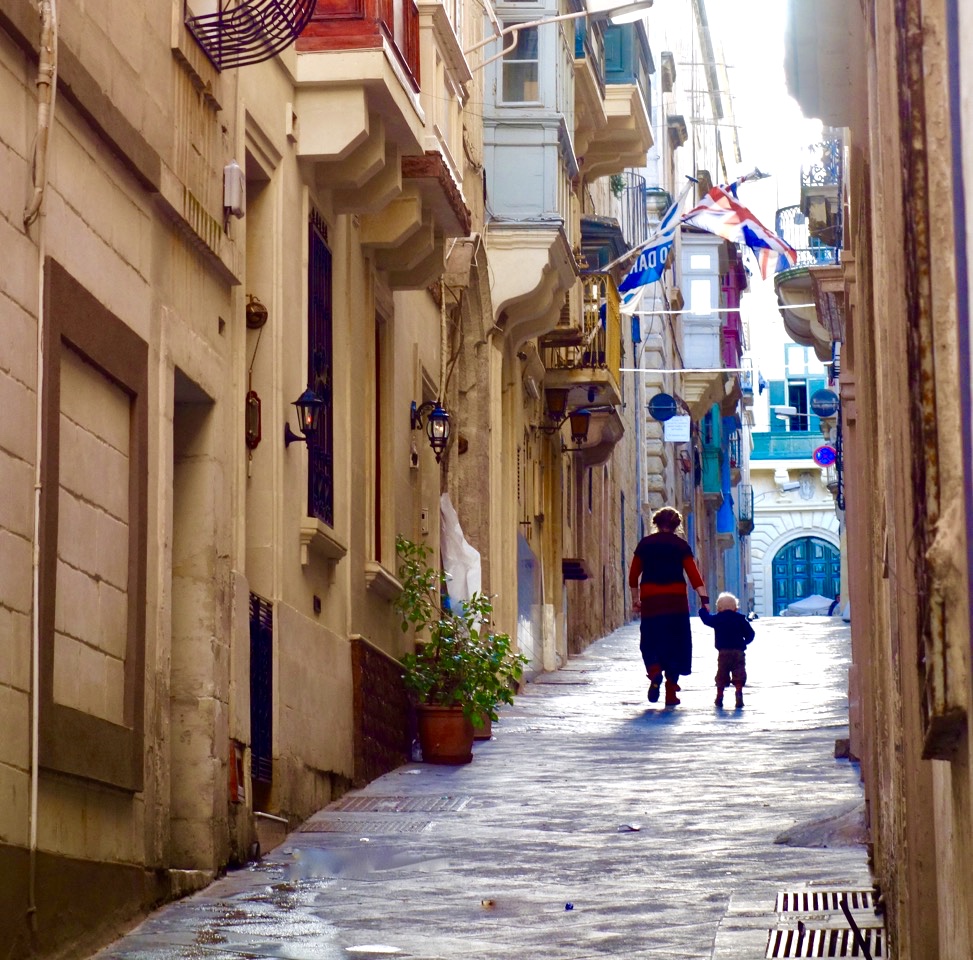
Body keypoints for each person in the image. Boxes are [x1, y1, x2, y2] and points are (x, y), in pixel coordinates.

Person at [629, 507, 708, 706]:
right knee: (676, 644)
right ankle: (671, 693)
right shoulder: (681, 545)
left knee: (650, 639)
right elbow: (693, 574)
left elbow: (633, 576)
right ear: (676, 525)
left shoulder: (645, 544)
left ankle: (655, 671)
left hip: (652, 601)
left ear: (656, 522)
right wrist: (704, 599)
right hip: (676, 602)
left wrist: (635, 600)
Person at [698, 592, 755, 709]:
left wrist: (702, 610)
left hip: (723, 652)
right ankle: (739, 692)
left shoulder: (718, 618)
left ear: (719, 608)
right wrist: (745, 642)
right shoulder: (740, 619)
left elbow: (706, 620)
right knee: (739, 672)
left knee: (722, 674)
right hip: (738, 652)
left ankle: (719, 696)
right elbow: (750, 633)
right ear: (736, 608)